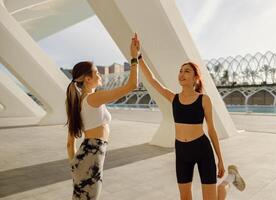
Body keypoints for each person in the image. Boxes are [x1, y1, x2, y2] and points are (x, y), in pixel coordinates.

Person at [133, 34, 245, 200]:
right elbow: (152, 80)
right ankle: (231, 177)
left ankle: (231, 177)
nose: (182, 74)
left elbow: (212, 131)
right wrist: (139, 56)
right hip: (182, 152)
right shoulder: (173, 97)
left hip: (202, 150)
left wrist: (220, 160)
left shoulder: (203, 99)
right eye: (180, 71)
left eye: (187, 71)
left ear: (195, 77)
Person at [65, 34, 139, 200]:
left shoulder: (78, 103)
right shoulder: (93, 98)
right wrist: (134, 58)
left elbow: (70, 144)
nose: (100, 75)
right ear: (88, 79)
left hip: (86, 157)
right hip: (91, 157)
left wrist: (76, 164)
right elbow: (132, 85)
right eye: (97, 72)